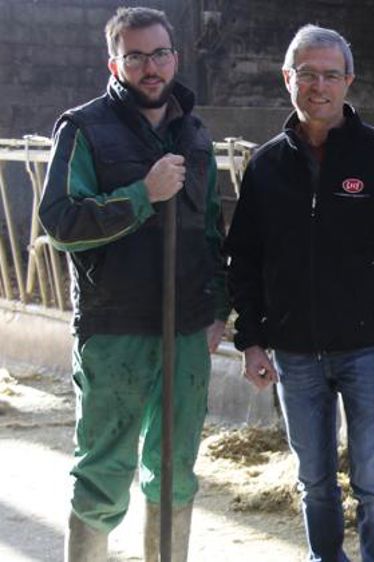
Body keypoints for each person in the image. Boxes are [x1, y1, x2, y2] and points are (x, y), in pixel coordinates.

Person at [225, 24, 374, 562]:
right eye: (306, 74)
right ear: (287, 79)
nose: (317, 86)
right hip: (294, 353)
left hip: (369, 350)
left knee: (373, 483)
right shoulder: (266, 166)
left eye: (329, 75)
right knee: (314, 481)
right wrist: (250, 341)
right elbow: (244, 261)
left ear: (349, 81)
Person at [38, 7, 228, 561]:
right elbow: (60, 220)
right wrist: (143, 194)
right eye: (136, 56)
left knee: (176, 469)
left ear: (176, 57)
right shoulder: (83, 129)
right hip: (115, 326)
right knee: (104, 467)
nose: (151, 67)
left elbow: (211, 230)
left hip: (187, 330)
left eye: (160, 54)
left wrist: (217, 309)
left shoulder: (194, 134)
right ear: (114, 62)